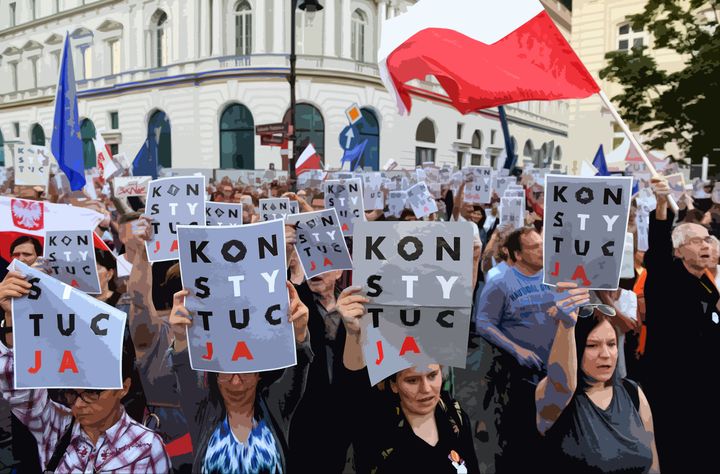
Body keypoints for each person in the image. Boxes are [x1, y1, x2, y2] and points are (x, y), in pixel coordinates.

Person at [0, 271, 170, 473]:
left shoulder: (147, 447)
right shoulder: (56, 427)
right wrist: (13, 319)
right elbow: (17, 389)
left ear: (124, 387)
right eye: (71, 393)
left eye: (92, 393)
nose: (79, 404)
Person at [169, 282, 312, 473]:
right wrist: (180, 337)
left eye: (243, 371)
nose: (235, 381)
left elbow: (300, 366)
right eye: (228, 372)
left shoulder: (276, 405)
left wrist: (300, 332)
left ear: (258, 374)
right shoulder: (202, 410)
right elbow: (184, 371)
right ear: (215, 374)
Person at [337, 286, 481, 474]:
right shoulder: (376, 423)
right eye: (412, 380)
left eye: (432, 376)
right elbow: (352, 382)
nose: (426, 389)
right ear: (394, 384)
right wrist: (353, 333)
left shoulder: (454, 415)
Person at [536, 283, 659, 473]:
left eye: (611, 344)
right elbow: (564, 385)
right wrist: (567, 325)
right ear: (575, 348)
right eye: (592, 345)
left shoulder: (633, 393)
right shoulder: (558, 397)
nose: (606, 354)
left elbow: (653, 465)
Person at [642, 176, 720, 472]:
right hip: (674, 391)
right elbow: (658, 249)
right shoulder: (667, 279)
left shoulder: (708, 285)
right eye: (697, 240)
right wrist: (662, 204)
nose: (706, 245)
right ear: (679, 251)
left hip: (706, 391)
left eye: (708, 239)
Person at [473, 226, 557, 471]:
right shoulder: (500, 282)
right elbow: (484, 323)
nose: (542, 251)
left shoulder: (553, 276)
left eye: (542, 245)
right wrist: (516, 349)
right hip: (517, 378)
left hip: (553, 371)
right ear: (518, 255)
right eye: (534, 247)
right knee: (517, 442)